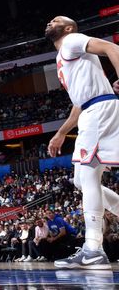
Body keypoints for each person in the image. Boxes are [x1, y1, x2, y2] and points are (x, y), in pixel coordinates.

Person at [46, 15, 119, 269]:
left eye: (55, 20)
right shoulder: (63, 57)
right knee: (81, 180)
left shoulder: (72, 40)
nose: (49, 22)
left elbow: (113, 47)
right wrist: (62, 132)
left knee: (88, 177)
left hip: (98, 112)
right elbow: (79, 103)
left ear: (67, 28)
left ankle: (93, 248)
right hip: (91, 110)